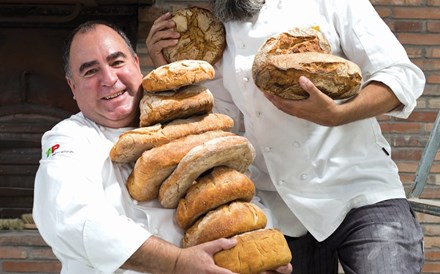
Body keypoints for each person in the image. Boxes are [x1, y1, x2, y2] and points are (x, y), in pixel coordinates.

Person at [146, 0, 426, 273]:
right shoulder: (220, 32)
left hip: (360, 193)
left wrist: (340, 114)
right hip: (281, 214)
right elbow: (221, 124)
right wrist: (171, 69)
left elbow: (400, 75)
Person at [32, 20, 292, 274]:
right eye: (90, 71)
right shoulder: (69, 139)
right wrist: (177, 263)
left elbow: (240, 193)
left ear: (136, 63)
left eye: (116, 62)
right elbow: (70, 220)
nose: (109, 79)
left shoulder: (190, 120)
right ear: (72, 86)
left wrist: (258, 250)